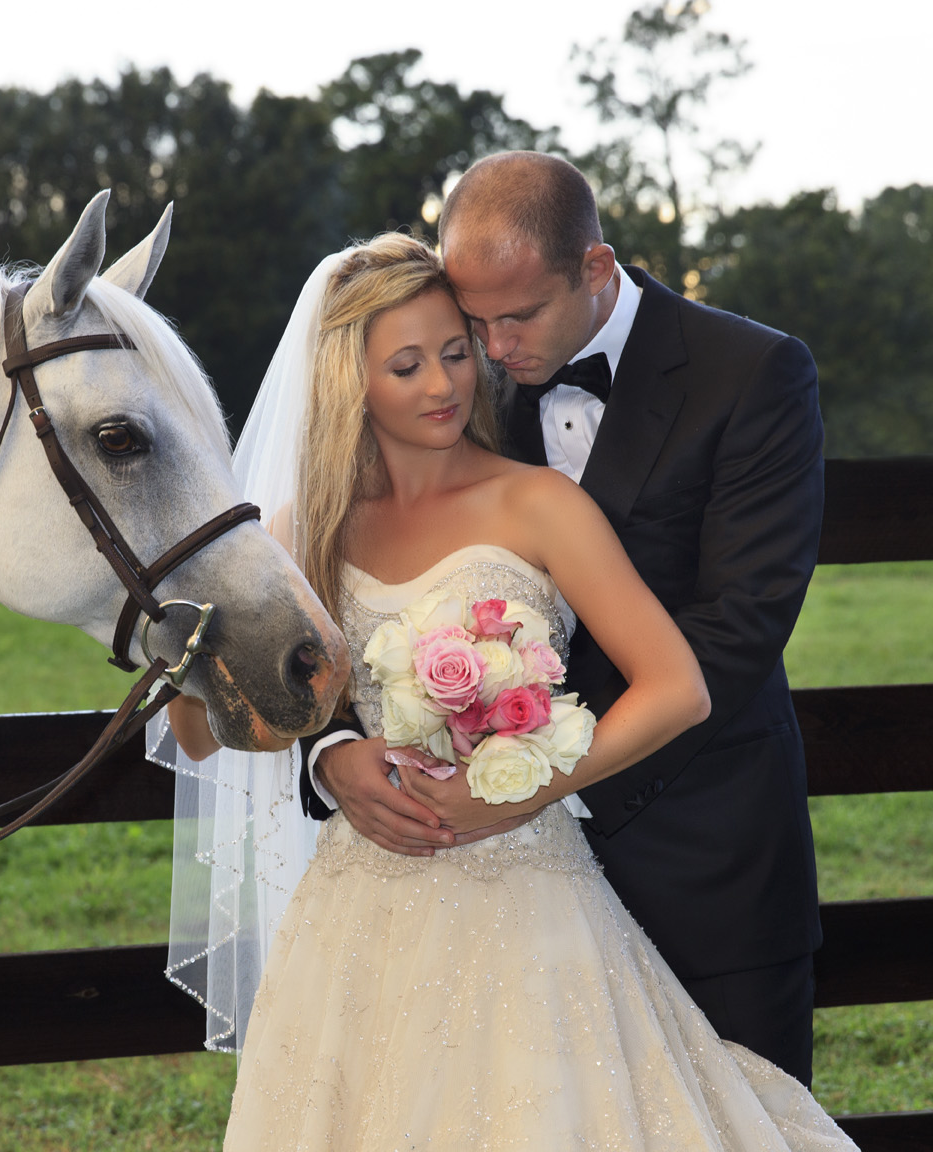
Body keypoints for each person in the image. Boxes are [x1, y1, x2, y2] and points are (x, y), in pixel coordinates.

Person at [161, 234, 853, 1149]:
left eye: (457, 352)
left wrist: (521, 788)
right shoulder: (304, 533)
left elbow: (680, 684)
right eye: (408, 365)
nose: (446, 384)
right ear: (347, 382)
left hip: (528, 888)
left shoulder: (537, 502)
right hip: (366, 904)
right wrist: (326, 751)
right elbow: (201, 728)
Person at [308, 152, 825, 1087]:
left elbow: (739, 627)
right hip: (493, 894)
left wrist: (529, 779)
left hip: (702, 854)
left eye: (516, 318)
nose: (491, 352)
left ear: (596, 269)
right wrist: (338, 748)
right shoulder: (458, 379)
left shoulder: (753, 374)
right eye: (475, 325)